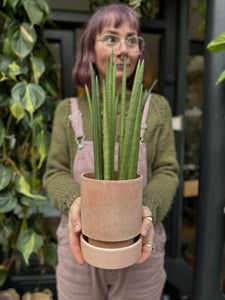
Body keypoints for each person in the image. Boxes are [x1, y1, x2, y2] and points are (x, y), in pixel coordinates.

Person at [43, 4, 179, 300]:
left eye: (132, 40)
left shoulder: (155, 108)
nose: (123, 49)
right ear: (90, 48)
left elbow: (167, 171)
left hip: (140, 244)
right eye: (111, 38)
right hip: (80, 245)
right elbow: (54, 172)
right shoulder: (69, 111)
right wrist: (75, 201)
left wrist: (149, 210)